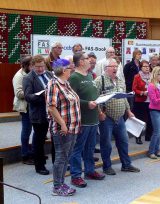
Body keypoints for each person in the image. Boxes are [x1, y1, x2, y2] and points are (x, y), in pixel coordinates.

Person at [95, 58, 140, 175]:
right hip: (106, 118)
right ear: (106, 68)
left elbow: (124, 97)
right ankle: (107, 166)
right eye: (112, 66)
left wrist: (128, 111)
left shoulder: (120, 80)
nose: (115, 68)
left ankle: (126, 164)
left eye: (116, 66)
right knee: (106, 144)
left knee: (124, 142)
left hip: (120, 118)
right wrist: (100, 113)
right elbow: (95, 99)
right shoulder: (99, 81)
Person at [69, 52, 105, 188]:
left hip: (93, 118)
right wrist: (86, 104)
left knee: (90, 148)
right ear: (80, 62)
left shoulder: (89, 75)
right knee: (78, 149)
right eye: (86, 58)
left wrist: (99, 111)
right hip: (82, 119)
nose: (90, 60)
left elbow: (94, 96)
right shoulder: (74, 78)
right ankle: (76, 176)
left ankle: (89, 171)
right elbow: (72, 99)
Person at [46, 59, 80, 196]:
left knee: (66, 157)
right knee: (61, 157)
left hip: (72, 127)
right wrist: (63, 124)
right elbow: (51, 107)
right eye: (70, 68)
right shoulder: (53, 84)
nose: (71, 70)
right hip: (62, 128)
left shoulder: (66, 84)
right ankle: (56, 187)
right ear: (64, 70)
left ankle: (61, 182)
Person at [23, 55, 53, 175]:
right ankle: (39, 166)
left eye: (42, 66)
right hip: (39, 114)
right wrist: (42, 95)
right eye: (37, 67)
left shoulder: (50, 74)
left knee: (55, 139)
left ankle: (57, 162)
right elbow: (28, 96)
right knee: (39, 140)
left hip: (53, 112)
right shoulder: (28, 78)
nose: (40, 69)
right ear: (32, 66)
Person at [12, 55, 35, 165]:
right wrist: (32, 93)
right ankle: (25, 155)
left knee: (34, 130)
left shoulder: (31, 73)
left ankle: (33, 153)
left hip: (33, 105)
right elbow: (18, 93)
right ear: (26, 65)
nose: (34, 67)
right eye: (31, 65)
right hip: (25, 106)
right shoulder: (19, 76)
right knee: (26, 131)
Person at [132, 60, 153, 144]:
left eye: (148, 66)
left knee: (150, 120)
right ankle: (138, 137)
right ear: (141, 67)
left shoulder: (152, 76)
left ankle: (148, 136)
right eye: (145, 66)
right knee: (139, 120)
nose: (147, 68)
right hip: (140, 101)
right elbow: (134, 89)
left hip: (150, 101)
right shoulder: (137, 76)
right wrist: (142, 92)